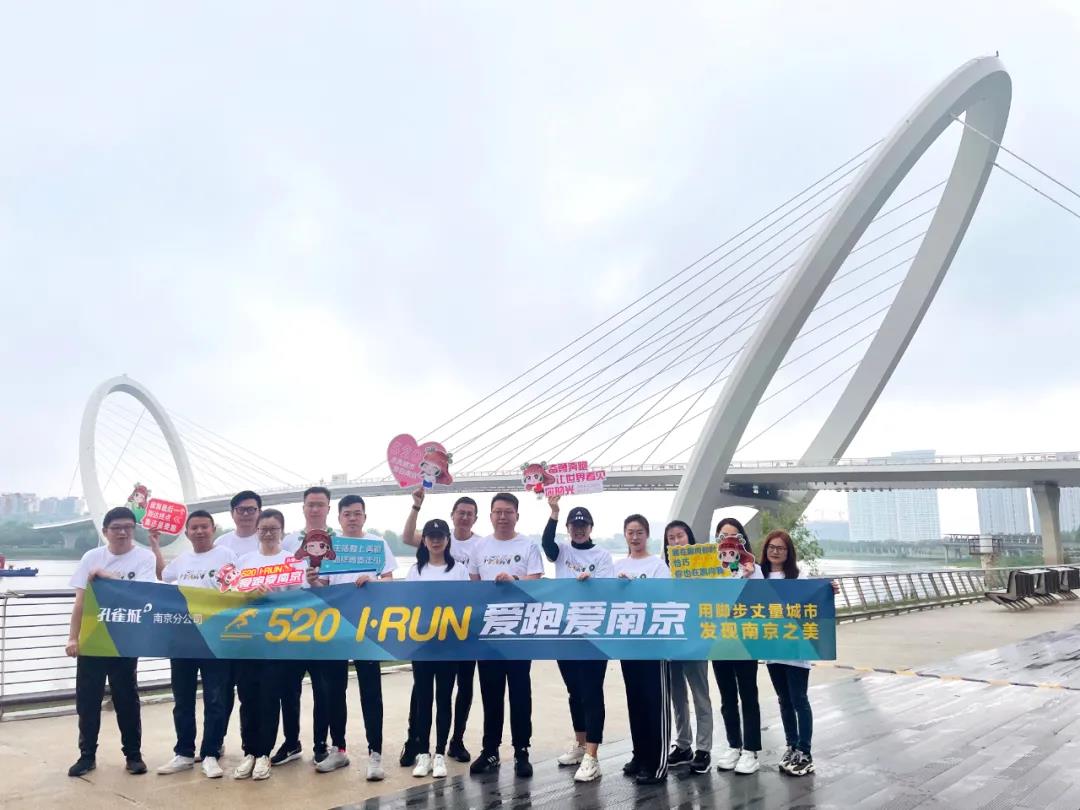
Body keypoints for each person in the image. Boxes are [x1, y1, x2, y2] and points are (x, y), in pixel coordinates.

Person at [306, 494, 397, 781]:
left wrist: (374, 581)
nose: (353, 518)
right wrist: (314, 581)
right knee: (334, 691)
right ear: (339, 518)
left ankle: (375, 754)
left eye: (357, 513)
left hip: (368, 629)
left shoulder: (377, 545)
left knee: (371, 692)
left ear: (365, 517)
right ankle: (339, 749)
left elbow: (389, 580)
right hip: (335, 629)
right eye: (347, 514)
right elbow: (324, 587)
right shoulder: (329, 547)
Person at [65, 506, 158, 778]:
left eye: (128, 527)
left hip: (124, 640)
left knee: (127, 699)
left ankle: (133, 755)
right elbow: (80, 601)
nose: (122, 532)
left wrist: (106, 577)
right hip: (93, 639)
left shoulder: (144, 557)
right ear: (105, 531)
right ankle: (86, 756)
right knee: (88, 701)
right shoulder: (91, 557)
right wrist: (73, 637)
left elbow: (141, 595)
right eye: (116, 528)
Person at [467, 492, 544, 778]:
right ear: (490, 516)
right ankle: (490, 750)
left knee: (520, 692)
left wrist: (515, 580)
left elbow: (536, 581)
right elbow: (474, 585)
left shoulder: (528, 545)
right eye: (497, 511)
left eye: (508, 511)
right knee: (491, 692)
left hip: (519, 630)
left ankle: (522, 750)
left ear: (516, 515)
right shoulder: (479, 547)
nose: (502, 516)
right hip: (489, 631)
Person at [401, 490, 481, 765]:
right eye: (461, 512)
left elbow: (470, 594)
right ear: (453, 515)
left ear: (475, 518)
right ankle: (415, 742)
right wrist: (416, 505)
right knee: (422, 692)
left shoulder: (476, 549)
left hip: (457, 637)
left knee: (460, 688)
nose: (465, 517)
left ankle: (453, 742)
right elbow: (407, 537)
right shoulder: (416, 568)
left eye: (470, 514)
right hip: (424, 641)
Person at [154, 511, 236, 779]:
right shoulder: (183, 559)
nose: (200, 532)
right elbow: (163, 576)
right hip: (183, 640)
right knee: (183, 699)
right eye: (194, 528)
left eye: (204, 527)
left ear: (213, 529)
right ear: (187, 532)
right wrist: (155, 545)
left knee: (215, 699)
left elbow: (235, 591)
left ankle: (210, 753)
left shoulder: (226, 555)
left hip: (215, 640)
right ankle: (184, 753)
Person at [542, 497, 614, 783]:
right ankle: (580, 744)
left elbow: (608, 589)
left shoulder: (602, 555)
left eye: (583, 525)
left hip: (593, 632)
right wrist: (554, 513)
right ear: (568, 528)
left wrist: (591, 583)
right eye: (574, 525)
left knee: (592, 691)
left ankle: (592, 756)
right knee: (574, 691)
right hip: (565, 630)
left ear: (591, 528)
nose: (579, 529)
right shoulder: (562, 551)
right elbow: (546, 544)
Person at [232, 509, 304, 781]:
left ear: (282, 531)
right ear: (257, 531)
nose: (268, 533)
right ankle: (249, 752)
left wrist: (273, 598)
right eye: (263, 529)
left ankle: (264, 753)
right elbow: (232, 596)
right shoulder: (244, 561)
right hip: (248, 640)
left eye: (274, 528)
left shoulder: (292, 562)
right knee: (247, 698)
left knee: (270, 698)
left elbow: (301, 600)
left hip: (278, 642)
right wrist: (248, 594)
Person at [760, 529, 838, 776]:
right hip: (772, 647)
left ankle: (805, 751)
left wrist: (829, 589)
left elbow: (815, 597)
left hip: (796, 648)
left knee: (799, 700)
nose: (775, 552)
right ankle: (792, 746)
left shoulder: (799, 575)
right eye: (772, 547)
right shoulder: (759, 575)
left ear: (788, 552)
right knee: (784, 700)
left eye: (780, 548)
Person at [272, 486, 332, 768]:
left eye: (320, 504)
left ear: (329, 508)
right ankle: (291, 742)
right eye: (311, 504)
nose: (315, 509)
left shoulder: (339, 542)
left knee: (323, 690)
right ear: (303, 508)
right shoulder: (287, 542)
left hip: (325, 626)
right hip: (292, 626)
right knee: (288, 689)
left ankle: (321, 744)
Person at [616, 514, 671, 786]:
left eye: (639, 532)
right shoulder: (618, 566)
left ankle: (657, 764)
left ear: (647, 534)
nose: (635, 537)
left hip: (654, 644)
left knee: (654, 703)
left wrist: (635, 587)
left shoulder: (658, 565)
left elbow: (664, 598)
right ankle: (639, 755)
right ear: (625, 535)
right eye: (630, 532)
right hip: (629, 643)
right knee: (635, 701)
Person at [710, 516, 764, 775]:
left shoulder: (754, 568)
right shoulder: (712, 569)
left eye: (733, 536)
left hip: (745, 639)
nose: (728, 541)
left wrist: (750, 578)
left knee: (748, 694)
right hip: (719, 639)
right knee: (727, 696)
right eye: (722, 537)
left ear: (742, 540)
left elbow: (764, 601)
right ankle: (734, 745)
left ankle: (751, 750)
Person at [662, 520, 713, 774]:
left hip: (696, 640)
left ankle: (704, 748)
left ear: (689, 538)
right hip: (671, 642)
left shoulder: (705, 568)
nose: (676, 541)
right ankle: (683, 745)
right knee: (677, 696)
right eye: (671, 538)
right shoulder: (662, 570)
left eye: (680, 536)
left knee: (700, 694)